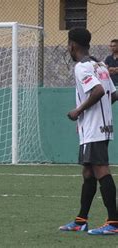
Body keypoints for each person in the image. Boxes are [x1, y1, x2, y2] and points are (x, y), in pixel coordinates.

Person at [59, 28, 118, 235]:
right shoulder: (100, 65)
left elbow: (99, 91)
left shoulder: (82, 67)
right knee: (88, 172)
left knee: (101, 170)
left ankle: (114, 223)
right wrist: (99, 113)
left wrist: (78, 111)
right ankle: (81, 220)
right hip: (100, 126)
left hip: (94, 129)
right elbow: (113, 93)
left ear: (72, 44)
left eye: (68, 44)